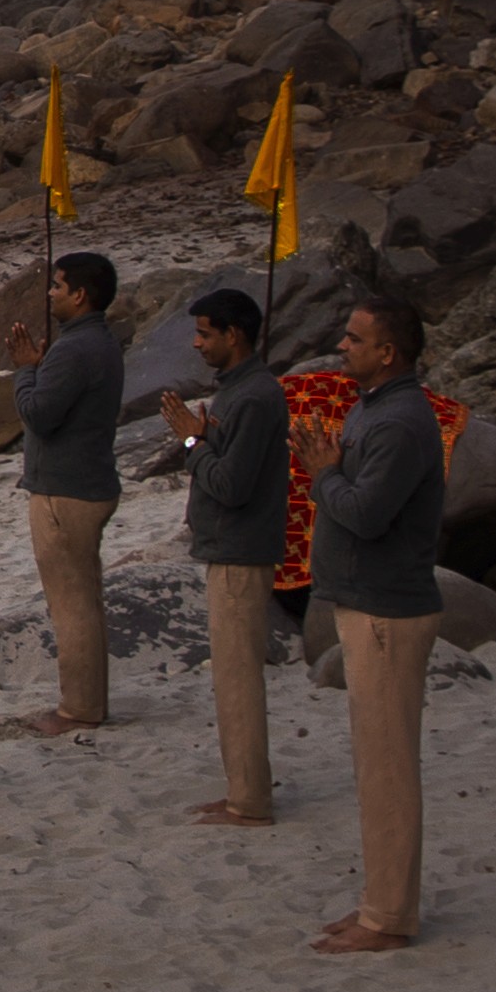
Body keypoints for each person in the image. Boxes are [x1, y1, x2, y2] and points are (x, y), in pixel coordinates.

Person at [295, 290, 446, 953]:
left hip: (388, 608)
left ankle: (387, 917)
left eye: (355, 340)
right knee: (375, 761)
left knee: (387, 766)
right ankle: (380, 904)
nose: (342, 347)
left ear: (388, 352)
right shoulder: (376, 410)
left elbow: (366, 511)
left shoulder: (398, 420)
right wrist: (330, 466)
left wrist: (324, 475)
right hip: (368, 601)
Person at [154, 285, 291, 826]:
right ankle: (242, 790)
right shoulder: (240, 392)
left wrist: (192, 442)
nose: (196, 344)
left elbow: (232, 484)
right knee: (230, 679)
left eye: (205, 333)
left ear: (233, 335)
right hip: (229, 547)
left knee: (237, 680)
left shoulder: (255, 396)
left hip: (241, 551)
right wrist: (205, 436)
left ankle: (251, 800)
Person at [0, 249, 130, 737]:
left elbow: (37, 414)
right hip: (90, 482)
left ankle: (79, 708)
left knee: (71, 606)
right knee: (86, 599)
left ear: (79, 294)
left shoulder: (75, 349)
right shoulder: (99, 342)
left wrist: (25, 369)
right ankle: (90, 701)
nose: (49, 293)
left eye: (56, 286)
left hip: (65, 491)